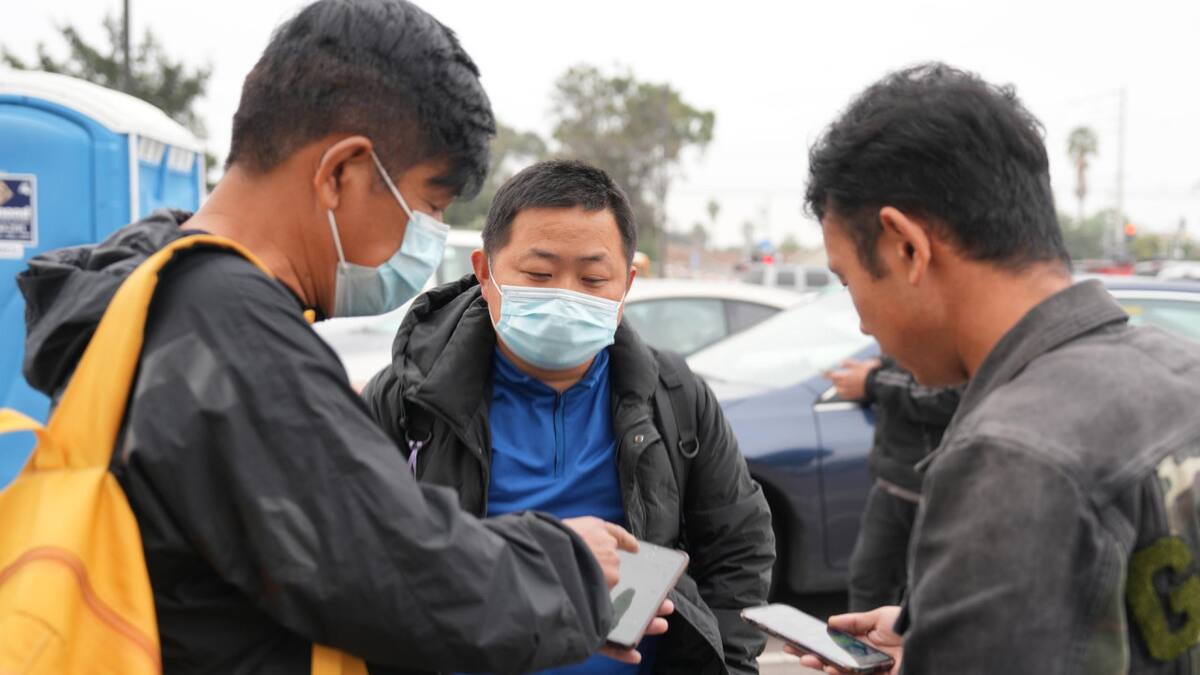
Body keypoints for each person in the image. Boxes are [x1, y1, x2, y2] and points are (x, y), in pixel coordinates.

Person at [17, 2, 668, 672]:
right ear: (340, 173)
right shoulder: (231, 334)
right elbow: (397, 578)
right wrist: (573, 566)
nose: (430, 234)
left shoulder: (155, 291)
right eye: (431, 204)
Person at [789, 62, 1200, 673]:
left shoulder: (1011, 454)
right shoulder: (1182, 370)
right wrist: (937, 631)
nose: (863, 325)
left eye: (848, 280)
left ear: (906, 246)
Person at [362, 159, 776, 675]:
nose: (566, 295)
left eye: (593, 277)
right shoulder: (409, 400)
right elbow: (358, 554)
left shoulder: (674, 396)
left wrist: (729, 667)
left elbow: (739, 545)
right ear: (485, 272)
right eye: (538, 274)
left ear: (625, 285)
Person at [825, 357, 960, 611]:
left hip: (939, 493)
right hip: (891, 485)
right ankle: (863, 650)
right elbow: (900, 363)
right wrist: (880, 367)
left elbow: (949, 394)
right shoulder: (902, 341)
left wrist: (871, 381)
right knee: (868, 584)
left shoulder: (954, 335)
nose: (865, 330)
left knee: (933, 597)